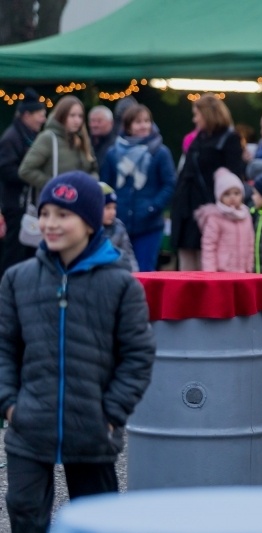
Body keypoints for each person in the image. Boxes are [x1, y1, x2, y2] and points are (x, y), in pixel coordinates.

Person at [0, 171, 156, 533]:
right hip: (28, 427)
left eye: (63, 215)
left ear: (89, 221)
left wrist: (111, 414)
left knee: (95, 522)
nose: (50, 224)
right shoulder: (17, 279)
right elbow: (4, 347)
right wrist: (9, 404)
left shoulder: (120, 285)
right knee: (24, 512)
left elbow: (138, 355)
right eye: (45, 213)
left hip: (93, 431)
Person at [170, 94, 244, 271]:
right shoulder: (199, 138)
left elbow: (234, 176)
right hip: (186, 208)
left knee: (208, 262)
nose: (194, 119)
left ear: (208, 114)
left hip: (210, 208)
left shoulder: (229, 138)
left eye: (197, 114)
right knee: (186, 263)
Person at [100, 104, 176, 272]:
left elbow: (169, 184)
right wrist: (112, 210)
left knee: (144, 271)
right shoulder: (113, 153)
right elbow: (106, 186)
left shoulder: (160, 152)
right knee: (116, 270)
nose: (143, 126)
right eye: (138, 122)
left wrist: (152, 207)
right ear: (128, 126)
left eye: (147, 121)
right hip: (118, 222)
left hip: (149, 224)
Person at [0, 87, 47, 278]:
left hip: (28, 205)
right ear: (27, 115)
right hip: (15, 205)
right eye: (40, 115)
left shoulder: (30, 135)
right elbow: (5, 169)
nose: (43, 119)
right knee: (15, 253)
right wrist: (31, 176)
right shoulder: (11, 138)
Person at [19, 95, 97, 198]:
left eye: (80, 116)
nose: (77, 120)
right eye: (72, 115)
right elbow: (26, 170)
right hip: (54, 202)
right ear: (62, 115)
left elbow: (93, 169)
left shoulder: (83, 139)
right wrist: (54, 184)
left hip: (81, 200)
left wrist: (90, 182)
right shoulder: (48, 138)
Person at [194, 167, 254, 273]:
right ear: (220, 196)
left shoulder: (246, 215)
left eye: (236, 193)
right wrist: (210, 272)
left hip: (242, 271)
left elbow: (250, 243)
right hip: (221, 272)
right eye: (227, 194)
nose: (232, 197)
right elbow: (209, 246)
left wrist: (249, 267)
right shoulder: (215, 217)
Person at [99, 182, 138, 272]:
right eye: (107, 208)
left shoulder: (119, 227)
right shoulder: (84, 229)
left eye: (114, 208)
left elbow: (129, 256)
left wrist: (136, 277)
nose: (113, 212)